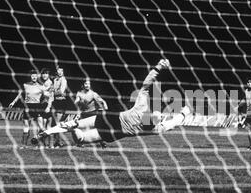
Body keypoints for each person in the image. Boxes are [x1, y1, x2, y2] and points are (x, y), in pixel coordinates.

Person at [33, 59, 191, 146]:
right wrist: (184, 112)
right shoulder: (154, 129)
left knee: (77, 129)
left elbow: (146, 84)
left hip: (110, 119)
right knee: (80, 138)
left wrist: (158, 68)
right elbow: (170, 123)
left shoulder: (142, 107)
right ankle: (69, 127)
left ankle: (51, 131)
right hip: (113, 133)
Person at [9, 69, 45, 148]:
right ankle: (24, 145)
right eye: (32, 76)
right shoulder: (25, 85)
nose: (34, 77)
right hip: (28, 106)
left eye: (35, 76)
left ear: (37, 76)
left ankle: (39, 145)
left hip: (37, 106)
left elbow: (46, 96)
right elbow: (19, 94)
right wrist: (13, 102)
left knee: (40, 126)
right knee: (26, 126)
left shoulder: (41, 86)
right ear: (30, 77)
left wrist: (47, 104)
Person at [74, 79, 109, 148]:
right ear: (83, 85)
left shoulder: (93, 94)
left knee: (96, 129)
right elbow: (77, 101)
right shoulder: (79, 93)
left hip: (92, 113)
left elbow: (102, 101)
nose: (87, 85)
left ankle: (102, 143)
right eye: (86, 84)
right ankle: (80, 143)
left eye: (89, 84)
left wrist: (105, 107)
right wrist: (77, 101)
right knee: (81, 128)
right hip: (83, 113)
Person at [237, 79, 251, 150]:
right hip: (247, 112)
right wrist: (239, 105)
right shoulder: (246, 91)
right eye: (248, 82)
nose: (249, 83)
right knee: (249, 129)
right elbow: (244, 99)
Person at [52, 66, 68, 148]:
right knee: (54, 123)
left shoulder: (64, 80)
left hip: (61, 102)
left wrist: (52, 93)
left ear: (63, 72)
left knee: (58, 123)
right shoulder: (55, 80)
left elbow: (61, 92)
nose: (60, 72)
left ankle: (58, 142)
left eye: (61, 70)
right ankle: (57, 141)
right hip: (55, 102)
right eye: (58, 70)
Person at [39, 69, 54, 148]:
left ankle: (49, 144)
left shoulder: (50, 83)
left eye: (46, 74)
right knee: (43, 125)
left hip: (47, 106)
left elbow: (51, 97)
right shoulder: (42, 83)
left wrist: (48, 107)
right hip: (41, 105)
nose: (44, 75)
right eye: (43, 74)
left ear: (48, 75)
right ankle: (44, 144)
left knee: (47, 125)